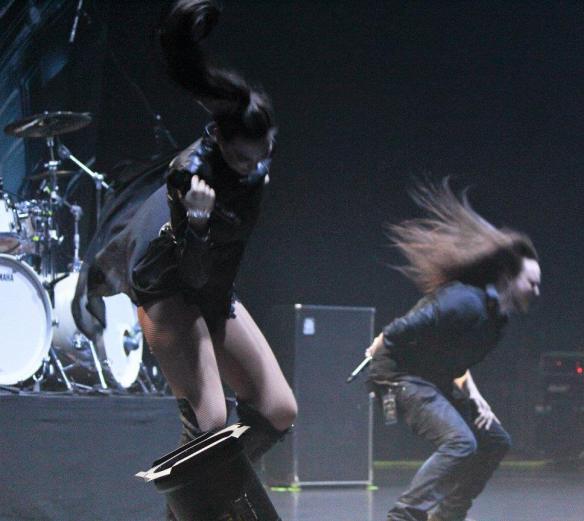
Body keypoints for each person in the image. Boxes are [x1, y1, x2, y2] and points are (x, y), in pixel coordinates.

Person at [77, 0, 297, 474]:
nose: (253, 167)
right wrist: (196, 222)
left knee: (279, 410)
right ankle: (192, 503)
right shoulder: (190, 176)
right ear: (218, 140)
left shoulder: (255, 158)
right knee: (210, 419)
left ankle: (219, 490)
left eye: (262, 156)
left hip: (212, 286)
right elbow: (190, 271)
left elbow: (216, 273)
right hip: (167, 284)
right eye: (241, 160)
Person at [366, 179, 541, 521]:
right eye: (531, 283)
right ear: (508, 277)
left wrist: (476, 398)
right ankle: (403, 517)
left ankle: (449, 515)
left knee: (494, 440)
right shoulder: (464, 300)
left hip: (433, 379)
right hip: (398, 376)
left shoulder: (496, 320)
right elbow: (400, 329)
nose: (537, 290)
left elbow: (457, 360)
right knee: (461, 443)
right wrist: (377, 347)